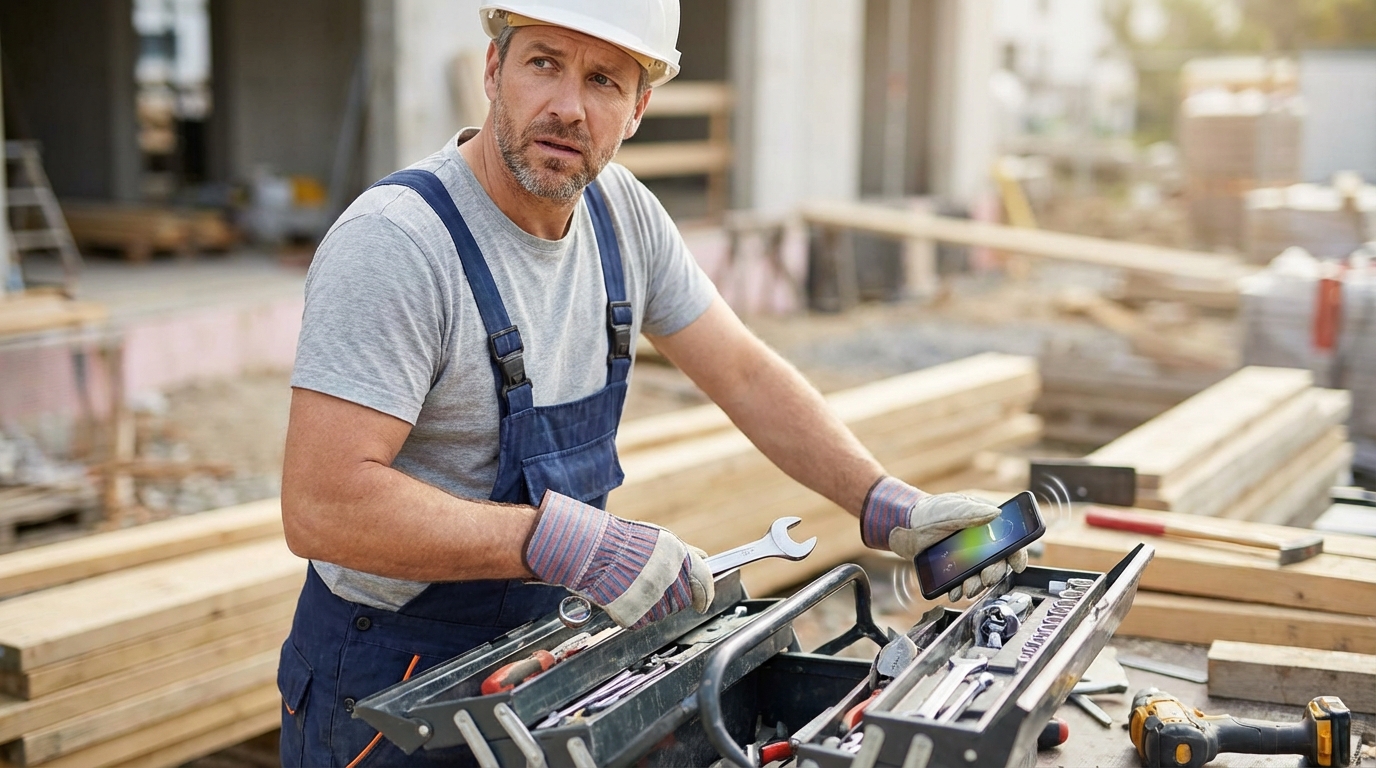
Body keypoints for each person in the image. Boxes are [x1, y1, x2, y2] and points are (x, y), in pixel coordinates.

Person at [276, 1, 1026, 764]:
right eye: (543, 63)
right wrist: (567, 541)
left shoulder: (619, 215)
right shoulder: (399, 245)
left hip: (546, 664)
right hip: (389, 691)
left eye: (603, 79)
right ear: (494, 69)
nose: (567, 106)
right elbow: (322, 505)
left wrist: (886, 505)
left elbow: (742, 371)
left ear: (637, 108)